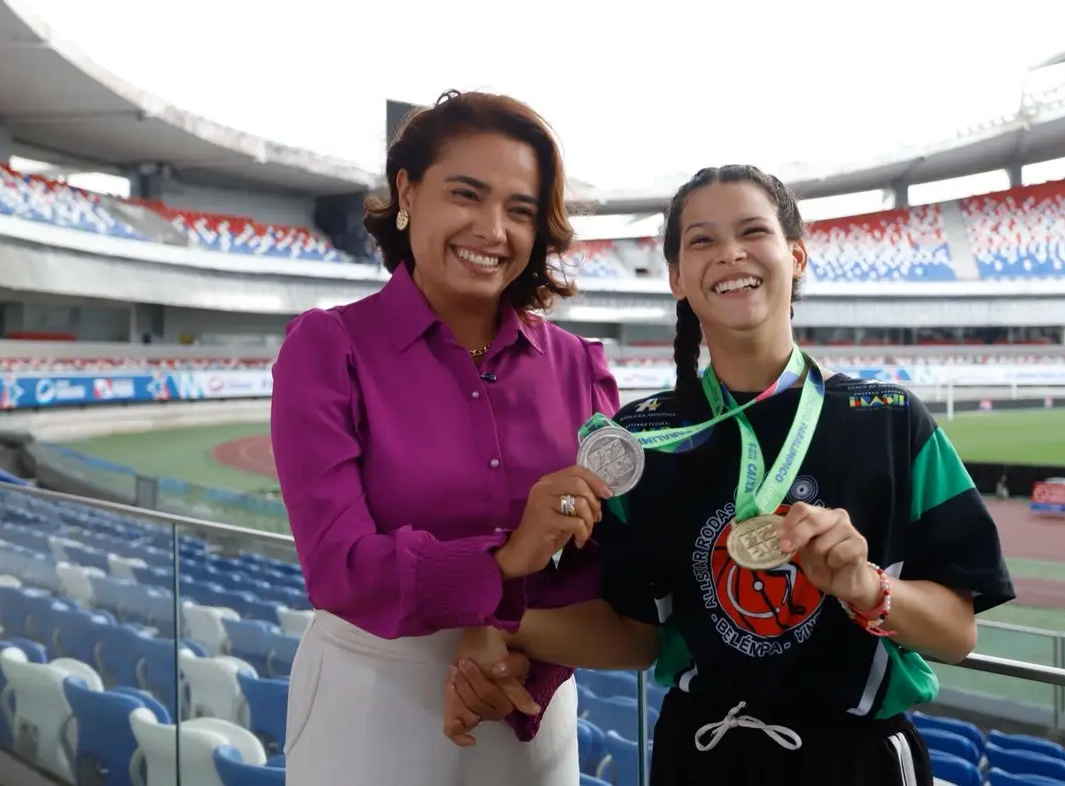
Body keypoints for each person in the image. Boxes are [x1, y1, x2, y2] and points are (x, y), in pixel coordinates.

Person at [443, 164, 1016, 785]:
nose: (730, 253)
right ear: (676, 278)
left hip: (856, 763)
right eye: (702, 240)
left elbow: (957, 634)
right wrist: (499, 623)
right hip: (699, 756)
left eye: (753, 231)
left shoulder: (889, 420)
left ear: (796, 256)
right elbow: (636, 636)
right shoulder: (642, 439)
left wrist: (863, 584)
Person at [269, 89, 618, 786]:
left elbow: (600, 566)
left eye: (520, 210)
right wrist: (506, 559)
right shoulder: (328, 347)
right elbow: (338, 566)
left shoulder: (580, 367)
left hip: (526, 704)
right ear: (407, 192)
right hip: (369, 705)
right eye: (467, 194)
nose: (492, 229)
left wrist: (524, 666)